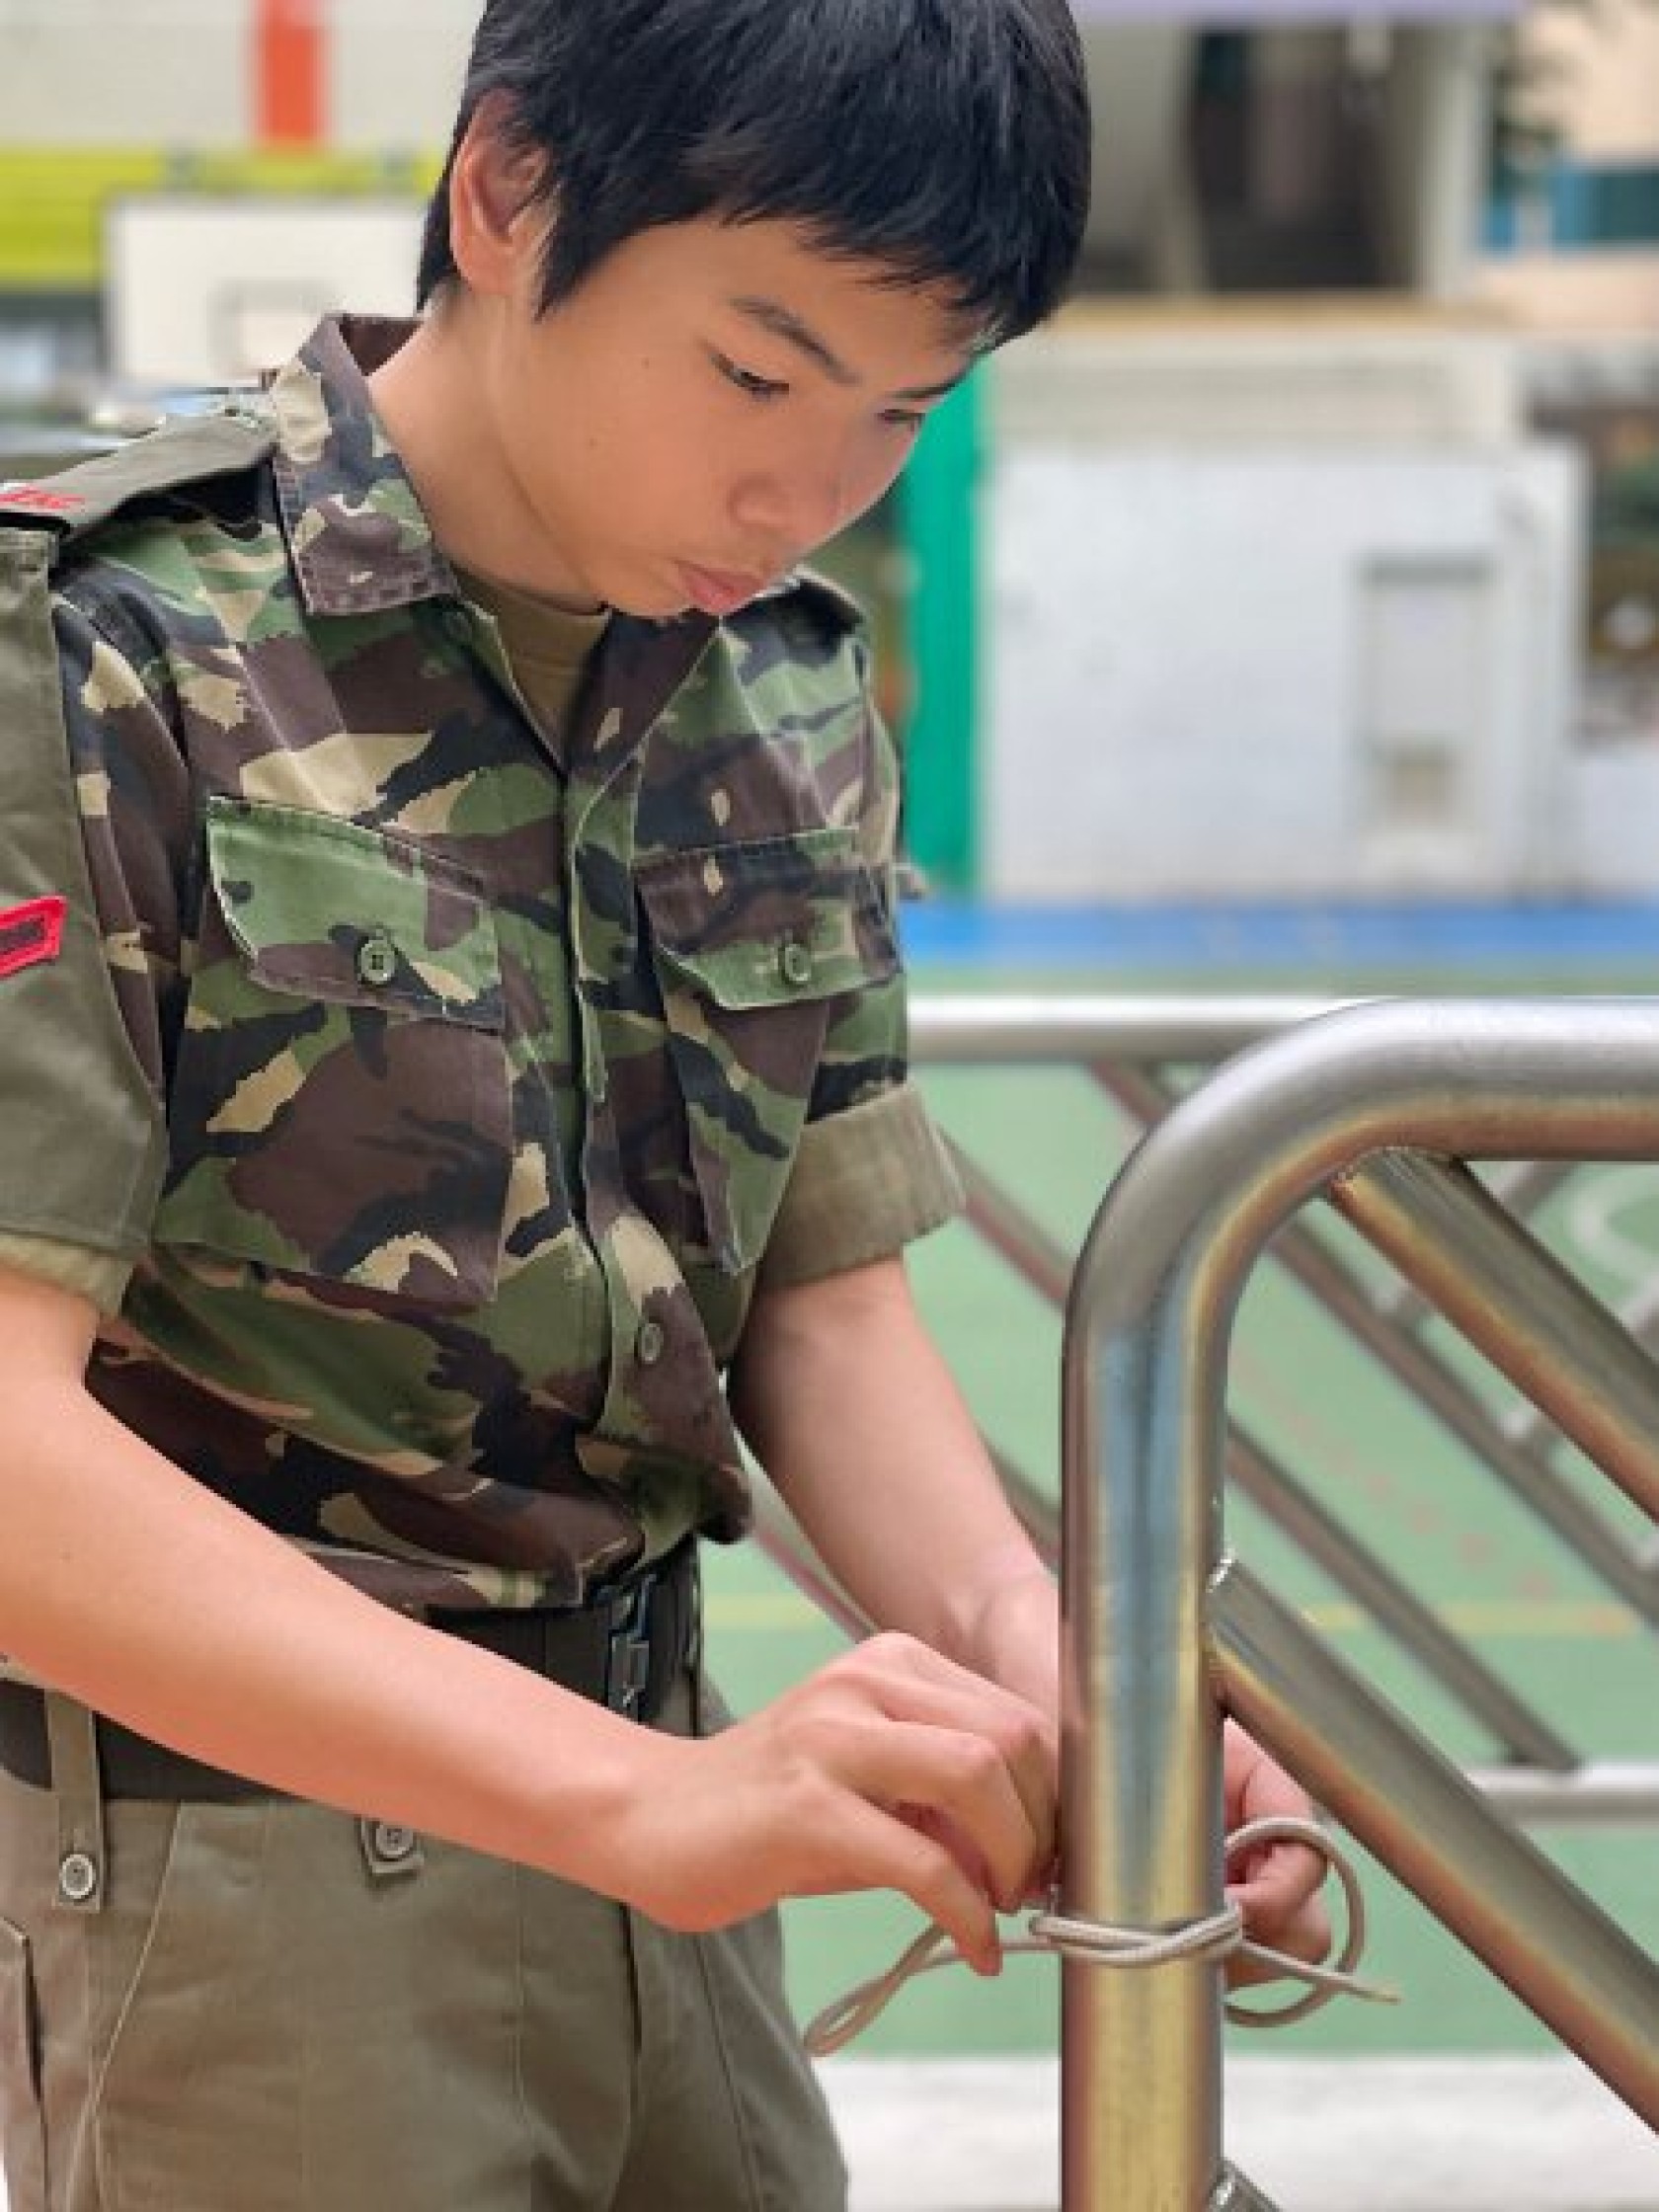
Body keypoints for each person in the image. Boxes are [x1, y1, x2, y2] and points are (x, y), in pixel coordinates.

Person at [0, 3, 1328, 2206]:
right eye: (756, 374)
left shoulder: (779, 685)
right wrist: (632, 1805)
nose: (805, 493)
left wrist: (1042, 1667)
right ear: (508, 194)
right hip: (261, 1896)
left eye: (902, 411)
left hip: (684, 1830)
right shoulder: (97, 653)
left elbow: (823, 1308)